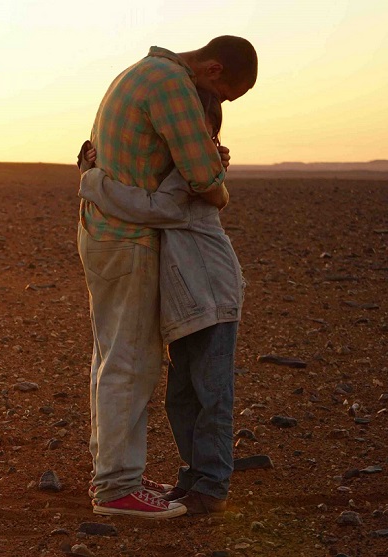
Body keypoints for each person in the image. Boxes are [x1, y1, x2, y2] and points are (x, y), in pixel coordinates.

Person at [77, 35, 257, 519]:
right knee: (130, 363)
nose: (215, 108)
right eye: (222, 98)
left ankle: (117, 477)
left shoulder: (139, 72)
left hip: (110, 235)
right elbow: (200, 181)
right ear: (214, 70)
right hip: (127, 240)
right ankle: (116, 486)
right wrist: (216, 184)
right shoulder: (173, 84)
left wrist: (92, 181)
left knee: (114, 359)